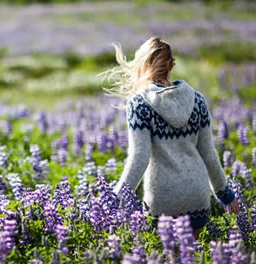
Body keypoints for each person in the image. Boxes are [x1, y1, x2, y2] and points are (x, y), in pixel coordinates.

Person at [102, 36, 239, 239]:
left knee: (169, 263)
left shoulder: (139, 104)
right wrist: (225, 194)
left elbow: (139, 157)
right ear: (172, 65)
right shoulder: (198, 100)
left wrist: (116, 197)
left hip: (163, 198)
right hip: (197, 195)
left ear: (142, 64)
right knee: (192, 259)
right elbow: (209, 154)